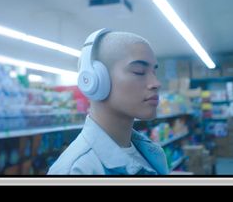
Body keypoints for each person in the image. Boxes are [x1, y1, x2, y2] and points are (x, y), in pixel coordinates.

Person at [47, 28, 168, 175]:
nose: (156, 83)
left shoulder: (151, 153)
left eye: (154, 72)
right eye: (139, 71)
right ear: (95, 80)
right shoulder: (76, 171)